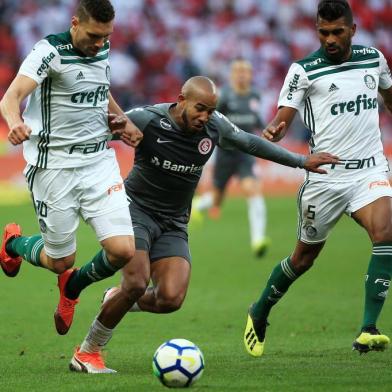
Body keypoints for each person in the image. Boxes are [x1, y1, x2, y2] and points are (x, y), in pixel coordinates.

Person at [67, 75, 338, 373]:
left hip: (174, 221)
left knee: (171, 298)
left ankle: (117, 298)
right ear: (181, 99)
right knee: (135, 282)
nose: (205, 116)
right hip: (135, 211)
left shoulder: (214, 126)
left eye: (211, 110)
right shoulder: (148, 119)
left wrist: (301, 161)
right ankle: (88, 352)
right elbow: (97, 132)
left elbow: (249, 143)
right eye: (200, 108)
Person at [243, 0, 392, 358]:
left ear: (352, 30)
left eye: (337, 32)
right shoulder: (304, 70)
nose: (330, 39)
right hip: (324, 178)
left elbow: (389, 96)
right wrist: (278, 127)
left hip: (370, 170)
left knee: (386, 233)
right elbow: (284, 113)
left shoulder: (374, 58)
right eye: (323, 32)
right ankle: (260, 310)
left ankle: (368, 329)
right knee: (302, 259)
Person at [0, 0, 142, 336]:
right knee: (59, 260)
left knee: (123, 250)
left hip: (98, 162)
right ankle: (13, 245)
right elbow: (10, 96)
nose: (99, 43)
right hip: (54, 168)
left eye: (106, 36)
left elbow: (99, 91)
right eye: (93, 35)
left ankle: (73, 287)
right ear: (75, 23)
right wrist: (15, 122)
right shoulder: (49, 51)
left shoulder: (101, 49)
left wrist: (122, 120)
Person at [193, 59, 270, 257]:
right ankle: (197, 205)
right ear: (232, 75)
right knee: (217, 199)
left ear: (251, 75)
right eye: (238, 71)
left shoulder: (255, 95)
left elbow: (256, 121)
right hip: (225, 155)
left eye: (246, 71)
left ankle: (258, 240)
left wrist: (267, 131)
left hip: (245, 154)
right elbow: (211, 121)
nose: (242, 75)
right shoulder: (224, 96)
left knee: (252, 190)